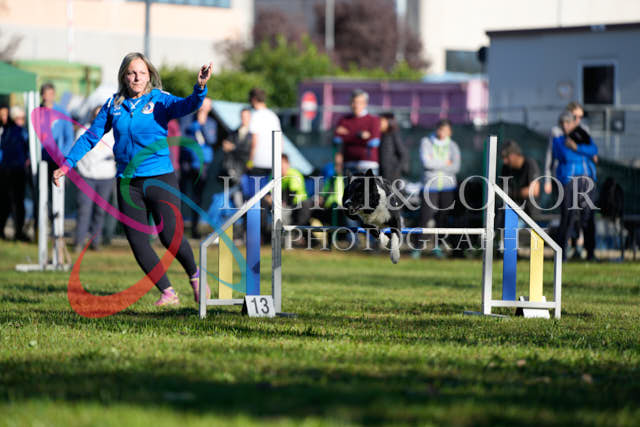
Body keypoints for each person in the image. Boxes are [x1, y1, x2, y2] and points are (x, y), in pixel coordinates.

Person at [53, 52, 214, 306]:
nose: (137, 77)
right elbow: (90, 136)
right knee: (138, 241)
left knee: (169, 236)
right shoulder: (112, 105)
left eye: (141, 72)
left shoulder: (159, 100)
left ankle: (195, 276)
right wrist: (66, 164)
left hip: (159, 178)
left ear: (149, 75)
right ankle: (168, 292)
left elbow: (188, 105)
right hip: (127, 182)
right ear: (124, 76)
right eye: (131, 73)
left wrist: (200, 87)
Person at [552, 110, 598, 261]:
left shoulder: (583, 137)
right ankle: (561, 253)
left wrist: (577, 148)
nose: (565, 126)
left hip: (587, 180)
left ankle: (590, 253)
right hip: (568, 181)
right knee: (568, 217)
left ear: (573, 123)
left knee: (588, 217)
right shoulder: (558, 140)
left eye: (568, 122)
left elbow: (594, 150)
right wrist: (584, 152)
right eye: (562, 123)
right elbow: (566, 155)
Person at [73, 106, 117, 252]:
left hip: (106, 177)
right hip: (87, 176)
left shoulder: (113, 132)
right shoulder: (83, 130)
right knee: (84, 210)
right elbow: (77, 151)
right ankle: (79, 241)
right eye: (96, 114)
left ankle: (95, 242)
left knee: (100, 211)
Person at [415, 119, 461, 257]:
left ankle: (438, 247)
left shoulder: (453, 146)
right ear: (436, 129)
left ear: (450, 132)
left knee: (442, 218)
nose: (442, 133)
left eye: (445, 130)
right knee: (425, 217)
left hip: (448, 187)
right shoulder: (426, 142)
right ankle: (417, 247)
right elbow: (426, 163)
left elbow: (456, 167)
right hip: (429, 186)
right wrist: (446, 163)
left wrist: (435, 163)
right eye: (440, 129)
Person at [180, 97, 217, 238]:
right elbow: (182, 138)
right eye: (202, 105)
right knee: (182, 195)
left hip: (203, 165)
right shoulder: (187, 119)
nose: (203, 108)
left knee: (197, 197)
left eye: (206, 106)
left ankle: (195, 228)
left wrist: (202, 125)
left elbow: (211, 140)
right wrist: (195, 125)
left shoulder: (211, 123)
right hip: (187, 162)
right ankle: (178, 228)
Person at [333, 89, 381, 176]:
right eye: (353, 102)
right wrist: (360, 135)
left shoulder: (373, 120)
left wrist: (348, 134)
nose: (355, 105)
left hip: (368, 165)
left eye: (359, 102)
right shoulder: (344, 120)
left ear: (365, 104)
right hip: (348, 165)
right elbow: (337, 141)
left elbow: (373, 142)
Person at [0, 106, 30, 241]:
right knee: (15, 203)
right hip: (14, 171)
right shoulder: (18, 132)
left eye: (23, 118)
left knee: (7, 202)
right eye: (19, 118)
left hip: (8, 170)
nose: (21, 121)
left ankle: (11, 231)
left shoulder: (6, 131)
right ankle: (18, 232)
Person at [497, 140, 541, 229]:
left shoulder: (530, 164)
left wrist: (512, 193)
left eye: (506, 157)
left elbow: (534, 191)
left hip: (529, 215)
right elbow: (501, 190)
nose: (504, 161)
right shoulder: (506, 168)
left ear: (514, 155)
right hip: (510, 211)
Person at [247, 87, 281, 181]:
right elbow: (280, 141)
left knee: (256, 189)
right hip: (273, 163)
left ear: (254, 99)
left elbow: (254, 141)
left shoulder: (255, 116)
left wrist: (250, 161)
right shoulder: (273, 116)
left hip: (258, 163)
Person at [221, 107, 252, 208]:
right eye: (242, 116)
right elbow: (226, 146)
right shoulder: (234, 133)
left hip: (246, 172)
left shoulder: (253, 134)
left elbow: (247, 151)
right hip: (234, 171)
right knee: (236, 201)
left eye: (246, 117)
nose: (244, 119)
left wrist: (233, 148)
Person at [378, 112, 409, 184]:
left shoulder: (393, 134)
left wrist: (396, 171)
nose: (379, 123)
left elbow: (403, 154)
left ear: (389, 122)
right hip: (382, 173)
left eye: (382, 121)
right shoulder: (381, 135)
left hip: (392, 175)